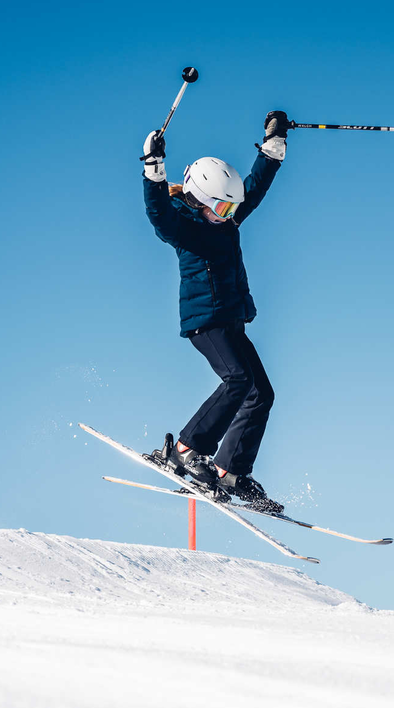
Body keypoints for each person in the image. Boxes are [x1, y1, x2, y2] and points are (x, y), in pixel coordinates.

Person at [142, 111, 289, 512]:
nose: (228, 218)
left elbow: (253, 190)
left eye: (230, 211)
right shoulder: (184, 225)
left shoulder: (222, 220)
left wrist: (272, 148)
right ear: (199, 199)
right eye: (221, 209)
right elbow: (157, 212)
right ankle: (186, 450)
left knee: (262, 393)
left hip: (231, 320)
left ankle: (229, 471)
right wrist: (154, 168)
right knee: (238, 380)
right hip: (205, 322)